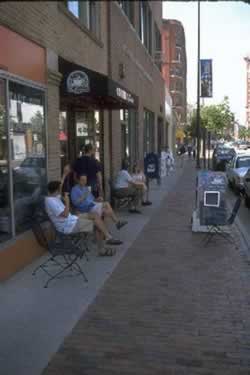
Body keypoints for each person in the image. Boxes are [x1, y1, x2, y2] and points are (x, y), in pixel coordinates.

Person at [45, 181, 122, 256]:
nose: (61, 190)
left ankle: (108, 237)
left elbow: (59, 187)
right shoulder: (50, 201)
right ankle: (102, 248)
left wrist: (65, 174)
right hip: (68, 226)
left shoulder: (55, 197)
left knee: (95, 215)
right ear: (57, 190)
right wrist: (67, 202)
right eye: (60, 189)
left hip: (72, 219)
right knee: (98, 225)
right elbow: (65, 214)